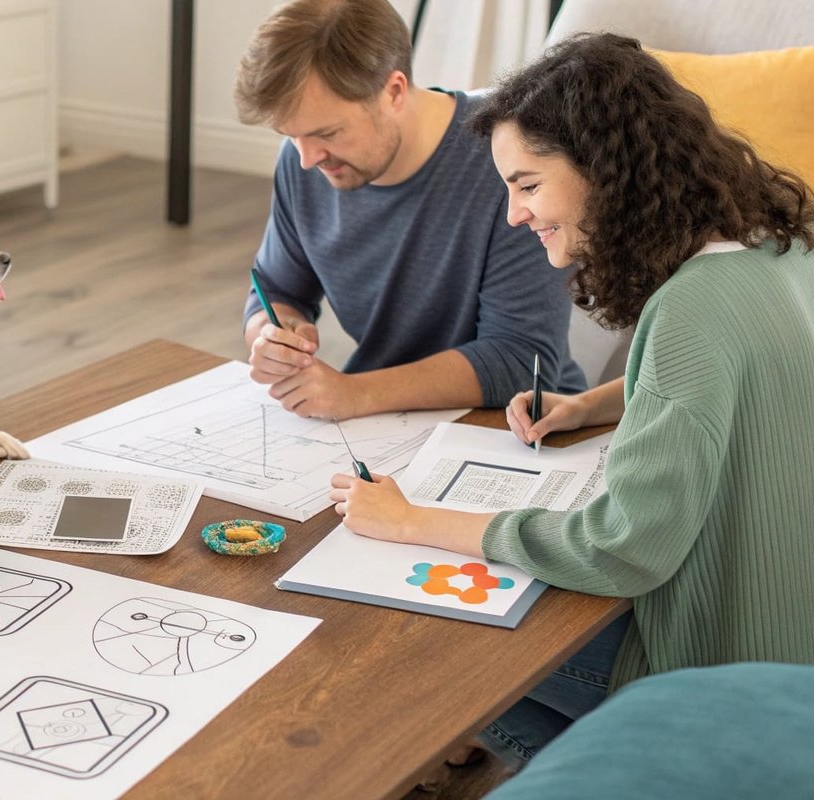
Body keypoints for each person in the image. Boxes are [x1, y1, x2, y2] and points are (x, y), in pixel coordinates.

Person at [328, 32, 814, 771]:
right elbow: (756, 374)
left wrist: (414, 520)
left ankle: (636, 770)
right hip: (792, 635)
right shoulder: (778, 247)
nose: (515, 214)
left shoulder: (691, 311)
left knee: (447, 644)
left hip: (715, 661)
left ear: (605, 170)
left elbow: (624, 547)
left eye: (527, 185)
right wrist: (600, 402)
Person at [234, 0, 584, 420]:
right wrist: (272, 335)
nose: (308, 158)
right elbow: (275, 289)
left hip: (515, 424)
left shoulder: (510, 161)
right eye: (290, 136)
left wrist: (358, 393)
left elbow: (520, 361)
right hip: (381, 422)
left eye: (327, 133)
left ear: (394, 91)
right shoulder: (304, 160)